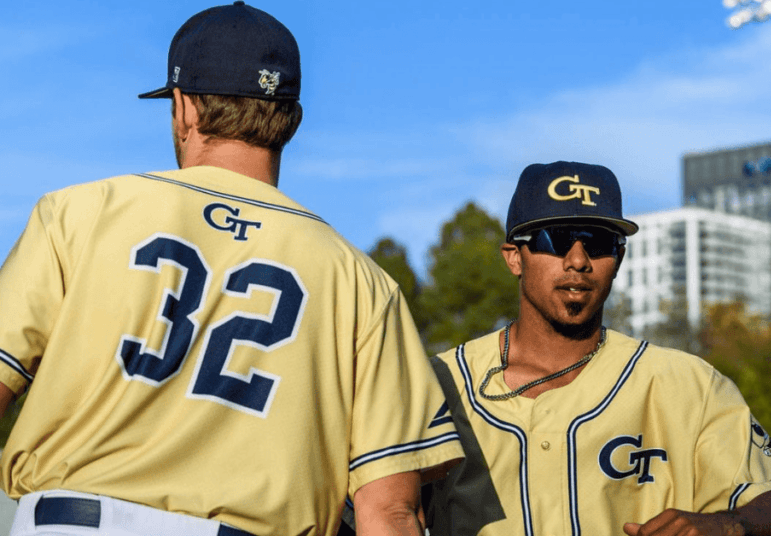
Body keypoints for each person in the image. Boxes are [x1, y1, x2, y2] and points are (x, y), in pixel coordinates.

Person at [0, 3, 462, 535]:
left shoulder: (78, 213)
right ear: (292, 119)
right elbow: (390, 511)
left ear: (184, 109)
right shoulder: (362, 282)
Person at [426, 161, 771, 536]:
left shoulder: (685, 383)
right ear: (515, 257)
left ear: (619, 256)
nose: (579, 260)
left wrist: (724, 525)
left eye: (600, 242)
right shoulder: (437, 385)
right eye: (558, 239)